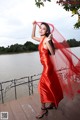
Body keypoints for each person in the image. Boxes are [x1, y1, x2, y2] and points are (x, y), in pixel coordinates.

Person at [31, 21, 63, 119]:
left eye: (43, 28)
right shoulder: (41, 39)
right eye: (40, 28)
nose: (41, 30)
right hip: (46, 66)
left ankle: (43, 109)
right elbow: (32, 37)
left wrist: (49, 41)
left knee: (42, 87)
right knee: (50, 85)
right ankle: (53, 103)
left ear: (47, 31)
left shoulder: (45, 40)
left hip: (48, 67)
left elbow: (52, 53)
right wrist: (33, 26)